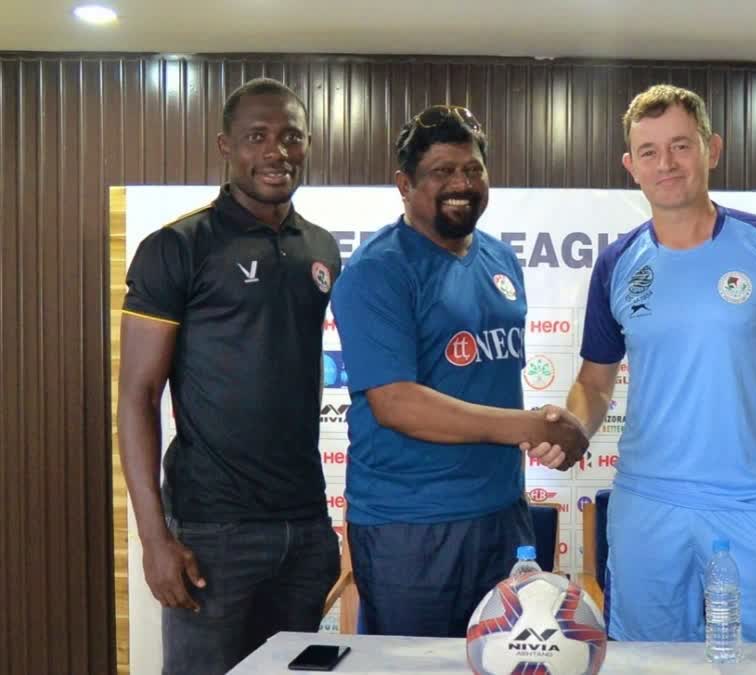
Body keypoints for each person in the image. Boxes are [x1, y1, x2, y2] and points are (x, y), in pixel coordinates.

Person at [526, 84, 756, 642]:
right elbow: (595, 382)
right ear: (631, 166)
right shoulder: (617, 262)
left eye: (680, 146)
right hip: (649, 503)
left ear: (712, 149)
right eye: (648, 152)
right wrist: (572, 425)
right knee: (650, 662)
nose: (665, 164)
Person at [330, 105, 589, 637]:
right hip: (412, 527)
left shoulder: (500, 259)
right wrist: (528, 427)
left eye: (472, 170)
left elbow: (491, 382)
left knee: (506, 665)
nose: (461, 184)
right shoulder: (377, 270)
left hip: (501, 513)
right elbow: (396, 403)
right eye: (442, 172)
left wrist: (551, 429)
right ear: (404, 184)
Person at [117, 77, 342, 675]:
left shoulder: (321, 248)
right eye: (257, 137)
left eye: (290, 137)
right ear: (226, 146)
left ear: (308, 144)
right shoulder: (176, 246)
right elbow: (137, 396)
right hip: (212, 531)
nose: (276, 152)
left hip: (305, 524)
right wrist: (154, 537)